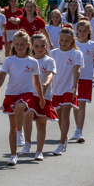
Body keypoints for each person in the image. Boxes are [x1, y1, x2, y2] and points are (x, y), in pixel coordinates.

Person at [0, 30, 43, 167]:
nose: (19, 46)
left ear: (28, 45)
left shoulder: (33, 62)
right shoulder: (8, 60)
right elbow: (1, 78)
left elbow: (36, 82)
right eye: (17, 44)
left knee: (19, 107)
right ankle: (13, 155)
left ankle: (20, 132)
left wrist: (41, 97)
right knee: (12, 126)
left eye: (22, 44)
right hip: (11, 94)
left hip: (26, 94)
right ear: (13, 45)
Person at [48, 27, 82, 156]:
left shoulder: (76, 54)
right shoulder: (54, 53)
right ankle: (65, 136)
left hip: (69, 88)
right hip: (56, 88)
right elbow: (49, 70)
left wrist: (75, 85)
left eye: (67, 41)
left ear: (72, 40)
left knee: (66, 112)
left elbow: (76, 69)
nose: (63, 43)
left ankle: (61, 143)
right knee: (59, 115)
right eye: (61, 40)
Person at [22, 33, 55, 162]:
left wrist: (46, 83)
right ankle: (27, 142)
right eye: (37, 46)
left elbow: (50, 74)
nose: (40, 48)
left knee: (41, 123)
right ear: (32, 47)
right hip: (30, 94)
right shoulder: (28, 60)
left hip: (45, 95)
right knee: (28, 114)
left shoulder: (49, 60)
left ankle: (39, 151)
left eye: (42, 46)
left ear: (46, 46)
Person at [74, 20, 94, 143]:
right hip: (73, 78)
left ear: (89, 32)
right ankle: (77, 129)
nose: (82, 33)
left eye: (85, 31)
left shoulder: (93, 45)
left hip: (86, 78)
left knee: (82, 104)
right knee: (75, 106)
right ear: (77, 31)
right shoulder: (73, 44)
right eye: (80, 31)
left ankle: (79, 131)